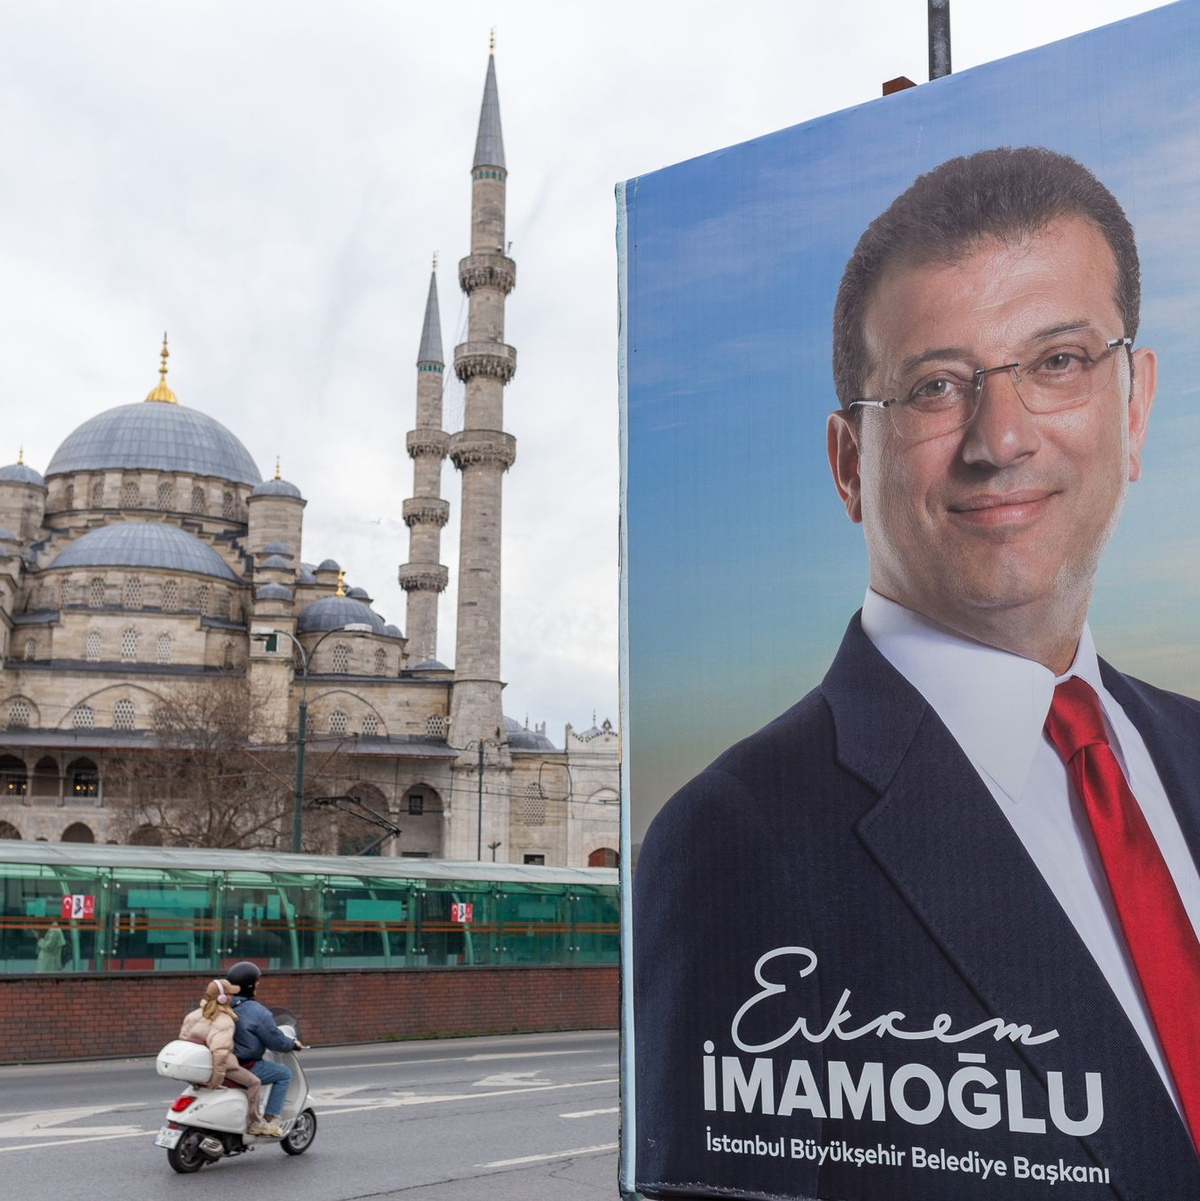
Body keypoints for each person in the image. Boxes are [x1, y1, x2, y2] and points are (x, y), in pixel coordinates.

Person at [633, 147, 1200, 1201]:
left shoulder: (1191, 748)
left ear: (1134, 404)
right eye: (937, 386)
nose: (1002, 437)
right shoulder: (735, 840)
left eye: (1060, 361)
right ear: (851, 463)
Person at [178, 978, 280, 1137]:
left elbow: (184, 1039)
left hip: (201, 1064)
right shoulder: (224, 1020)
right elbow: (220, 1052)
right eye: (229, 994)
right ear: (222, 998)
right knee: (254, 1082)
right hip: (218, 1065)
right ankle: (255, 1122)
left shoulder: (194, 1015)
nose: (232, 997)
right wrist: (216, 1079)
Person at [225, 960, 303, 1132]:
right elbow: (276, 1041)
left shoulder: (221, 1003)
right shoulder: (256, 1011)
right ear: (250, 985)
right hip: (243, 1064)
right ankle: (270, 1120)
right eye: (256, 981)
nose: (258, 984)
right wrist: (293, 1044)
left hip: (219, 1061)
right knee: (283, 1074)